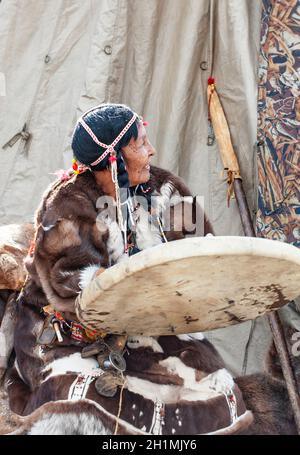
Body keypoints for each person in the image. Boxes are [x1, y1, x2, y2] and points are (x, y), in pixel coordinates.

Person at [5, 104, 252, 435]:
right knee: (81, 399)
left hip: (155, 327)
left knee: (217, 392)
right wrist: (129, 288)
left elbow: (205, 254)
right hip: (69, 332)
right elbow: (70, 287)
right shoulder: (67, 207)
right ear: (113, 159)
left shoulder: (166, 190)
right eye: (140, 144)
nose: (151, 150)